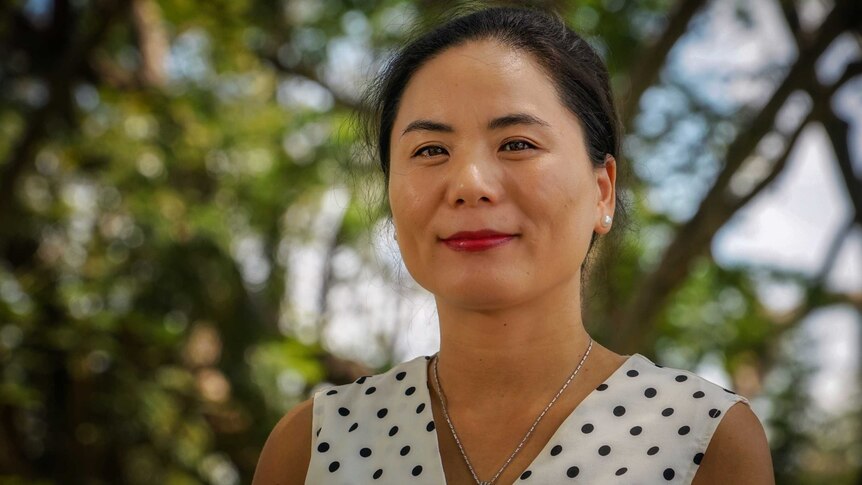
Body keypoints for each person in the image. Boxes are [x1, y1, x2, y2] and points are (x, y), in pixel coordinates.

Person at [253, 6, 774, 484]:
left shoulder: (704, 440)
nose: (469, 183)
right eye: (431, 149)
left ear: (602, 191)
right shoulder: (310, 448)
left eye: (517, 144)